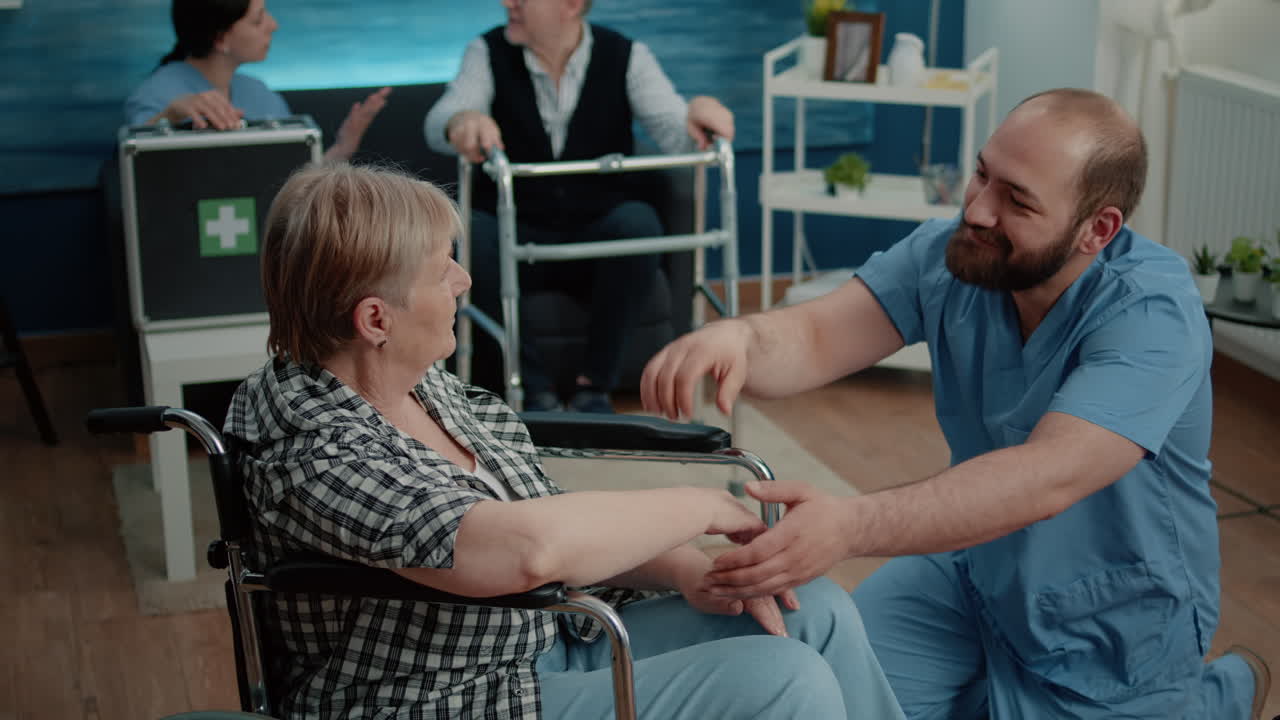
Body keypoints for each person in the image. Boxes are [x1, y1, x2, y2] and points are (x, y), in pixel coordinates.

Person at [641, 88, 1274, 719]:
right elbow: (817, 336)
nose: (977, 209)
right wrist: (741, 338)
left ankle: (1222, 695)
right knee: (827, 691)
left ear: (1097, 229)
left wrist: (850, 527)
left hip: (1113, 623)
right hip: (976, 570)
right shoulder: (955, 256)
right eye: (981, 174)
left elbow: (1046, 476)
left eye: (1017, 200)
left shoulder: (1153, 317)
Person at [223, 162, 904, 719]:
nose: (463, 280)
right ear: (376, 320)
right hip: (447, 696)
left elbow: (552, 519)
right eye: (441, 270)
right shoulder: (314, 450)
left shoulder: (422, 387)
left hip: (550, 633)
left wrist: (687, 569)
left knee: (815, 610)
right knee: (784, 680)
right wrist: (702, 506)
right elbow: (527, 549)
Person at [423, 0, 735, 414]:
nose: (508, 3)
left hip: (595, 235)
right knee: (472, 232)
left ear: (570, 5)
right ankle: (533, 391)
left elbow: (676, 131)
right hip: (516, 235)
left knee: (638, 222)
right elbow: (440, 120)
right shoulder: (486, 51)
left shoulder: (626, 55)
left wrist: (699, 116)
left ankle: (594, 387)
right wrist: (462, 120)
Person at [124, 0, 390, 163]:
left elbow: (289, 185)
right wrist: (168, 117)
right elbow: (134, 163)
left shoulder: (260, 95)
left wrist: (342, 149)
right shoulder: (158, 95)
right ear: (221, 39)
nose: (273, 25)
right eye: (258, 19)